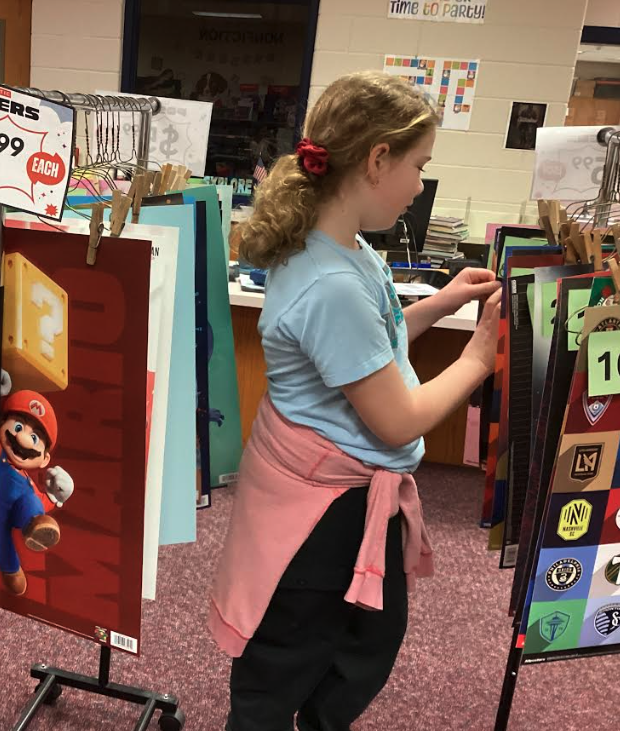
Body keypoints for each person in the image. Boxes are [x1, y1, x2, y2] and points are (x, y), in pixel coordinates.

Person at [208, 71, 502, 731]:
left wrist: (440, 303)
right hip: (319, 512)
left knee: (366, 638)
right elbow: (397, 418)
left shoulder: (346, 250)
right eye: (418, 166)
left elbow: (376, 344)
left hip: (341, 495)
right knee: (289, 652)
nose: (421, 185)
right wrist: (477, 360)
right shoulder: (331, 282)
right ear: (377, 159)